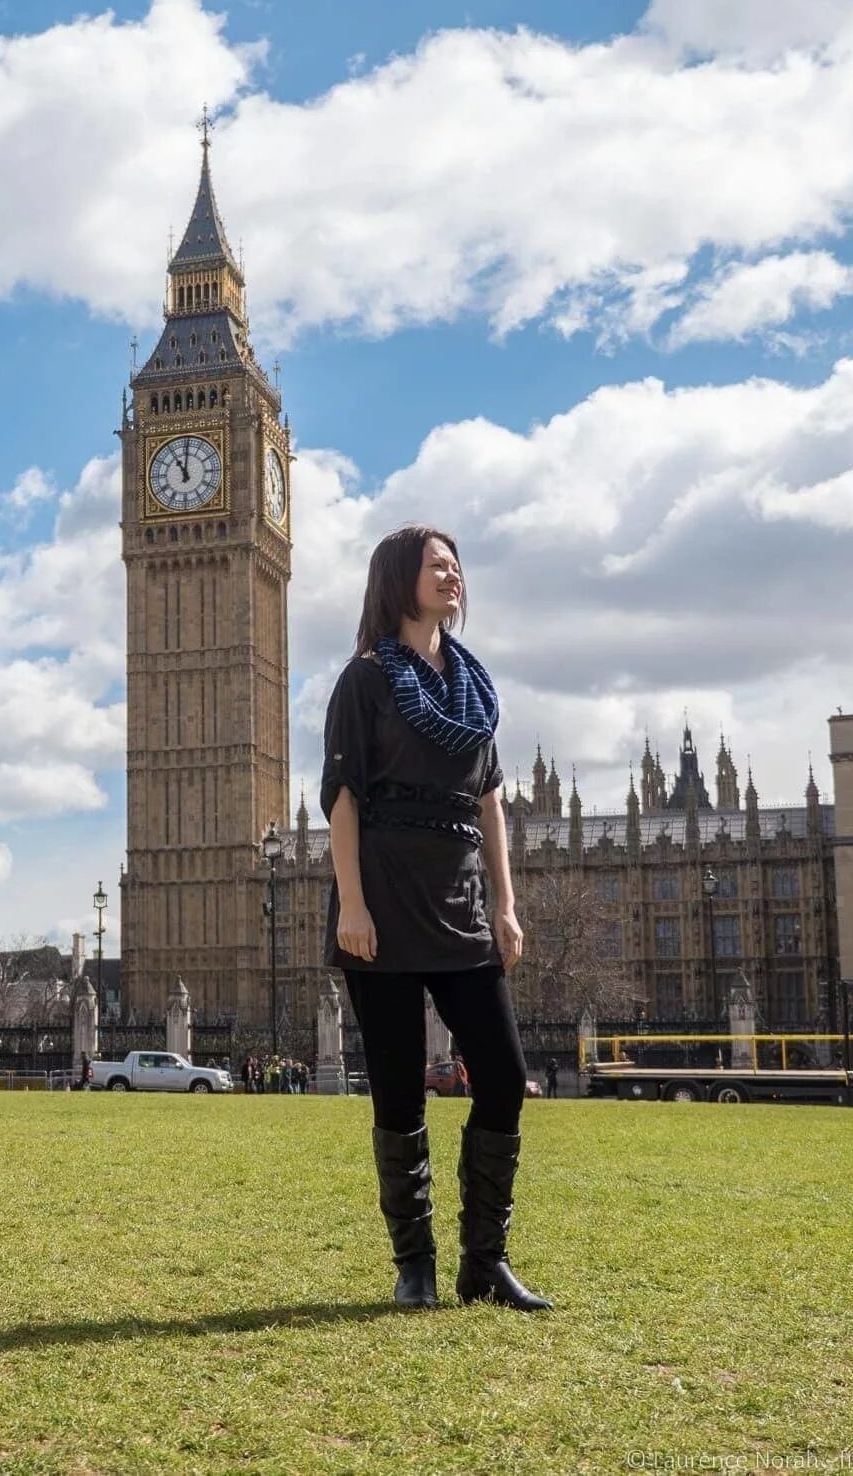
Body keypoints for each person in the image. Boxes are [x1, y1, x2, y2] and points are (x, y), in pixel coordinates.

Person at [323, 524, 548, 1313]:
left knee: (502, 1080)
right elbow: (343, 802)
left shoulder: (474, 690)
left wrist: (508, 907)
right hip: (381, 900)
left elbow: (490, 806)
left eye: (455, 563)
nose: (451, 574)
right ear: (399, 581)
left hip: (458, 904)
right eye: (434, 564)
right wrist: (350, 902)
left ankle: (484, 1260)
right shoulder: (366, 681)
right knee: (398, 1094)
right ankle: (414, 1264)